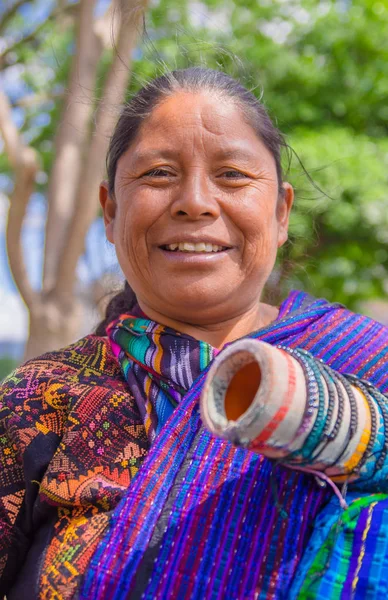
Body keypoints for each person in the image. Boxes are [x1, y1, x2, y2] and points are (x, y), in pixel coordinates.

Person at [1, 67, 387, 600]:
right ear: (111, 211)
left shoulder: (369, 369)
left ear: (281, 212)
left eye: (232, 174)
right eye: (159, 174)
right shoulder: (38, 399)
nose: (196, 202)